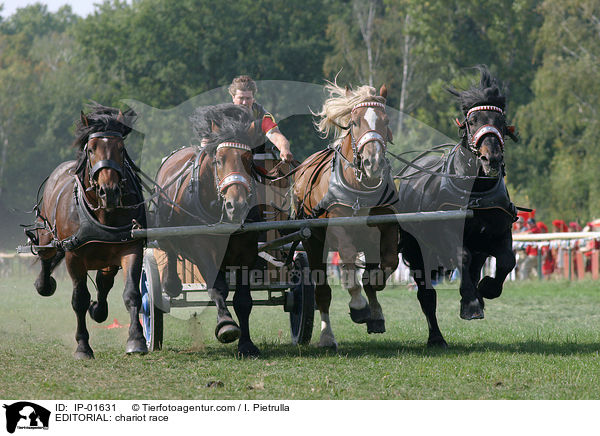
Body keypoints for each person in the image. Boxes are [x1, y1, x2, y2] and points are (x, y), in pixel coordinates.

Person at [228, 75, 294, 163]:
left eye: (248, 98)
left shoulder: (263, 116)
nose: (244, 102)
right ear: (233, 98)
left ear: (253, 99)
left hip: (255, 165)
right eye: (241, 98)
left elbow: (276, 135)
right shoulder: (224, 116)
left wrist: (284, 149)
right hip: (229, 165)